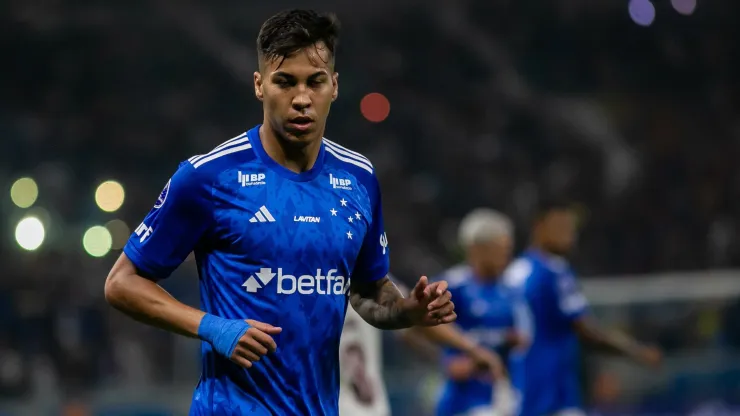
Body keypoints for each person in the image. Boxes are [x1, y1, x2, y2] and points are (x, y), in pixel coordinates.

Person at [103, 9, 456, 416]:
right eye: (285, 82)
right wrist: (213, 327)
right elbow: (122, 283)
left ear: (335, 86)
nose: (302, 98)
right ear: (259, 85)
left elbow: (368, 292)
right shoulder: (209, 177)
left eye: (315, 81)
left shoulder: (360, 178)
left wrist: (408, 310)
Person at [504, 199, 662, 416]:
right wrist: (638, 352)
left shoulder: (514, 271)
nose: (570, 234)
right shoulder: (554, 270)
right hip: (554, 397)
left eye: (572, 228)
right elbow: (587, 331)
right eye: (561, 227)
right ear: (538, 227)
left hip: (521, 391)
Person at [339, 276, 507, 416]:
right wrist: (471, 350)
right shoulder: (360, 270)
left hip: (354, 406)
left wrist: (455, 356)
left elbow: (411, 318)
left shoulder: (345, 274)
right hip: (362, 407)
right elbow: (410, 317)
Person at [434, 209, 523, 416]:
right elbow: (417, 328)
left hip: (502, 396)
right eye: (500, 249)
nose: (506, 256)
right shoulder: (453, 286)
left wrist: (513, 342)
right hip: (462, 401)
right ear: (477, 249)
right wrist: (442, 361)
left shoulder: (510, 290)